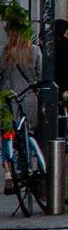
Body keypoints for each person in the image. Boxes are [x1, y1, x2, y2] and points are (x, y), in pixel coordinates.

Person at [1, 23, 40, 193]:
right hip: (29, 98)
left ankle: (9, 174)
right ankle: (27, 169)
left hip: (7, 99)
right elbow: (40, 76)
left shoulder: (3, 52)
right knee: (27, 134)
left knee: (7, 136)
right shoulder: (35, 51)